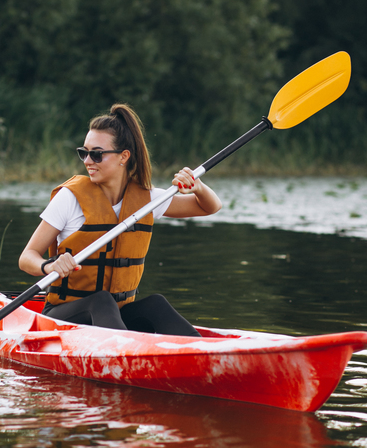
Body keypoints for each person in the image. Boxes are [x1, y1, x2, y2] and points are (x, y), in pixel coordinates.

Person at [19, 104, 222, 336]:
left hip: (115, 317)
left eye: (96, 154)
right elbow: (27, 259)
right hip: (64, 316)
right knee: (101, 300)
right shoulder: (69, 199)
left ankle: (202, 353)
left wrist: (198, 187)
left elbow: (209, 207)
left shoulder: (147, 200)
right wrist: (50, 265)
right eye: (83, 152)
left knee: (155, 303)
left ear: (123, 156)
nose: (87, 161)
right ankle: (126, 356)